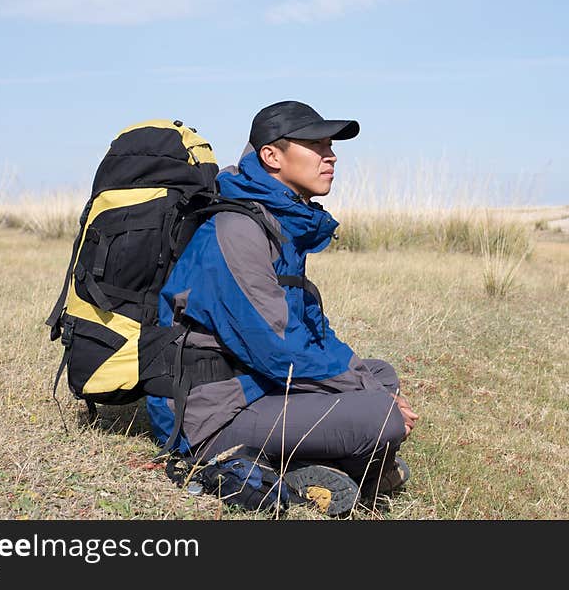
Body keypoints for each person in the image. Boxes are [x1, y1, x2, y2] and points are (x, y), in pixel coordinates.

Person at [147, 100, 419, 515]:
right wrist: (370, 394)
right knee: (379, 412)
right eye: (315, 145)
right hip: (213, 414)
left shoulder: (279, 222)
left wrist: (367, 381)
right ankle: (245, 460)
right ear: (271, 155)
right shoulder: (238, 231)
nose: (330, 156)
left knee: (381, 373)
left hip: (255, 385)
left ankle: (315, 463)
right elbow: (279, 349)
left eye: (330, 145)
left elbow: (310, 331)